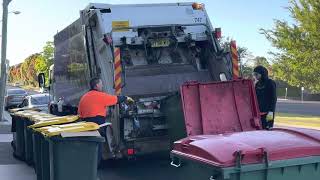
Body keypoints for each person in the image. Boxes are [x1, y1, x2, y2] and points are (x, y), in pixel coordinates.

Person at [78, 77, 133, 163]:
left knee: (90, 145)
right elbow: (115, 99)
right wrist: (125, 98)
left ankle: (88, 164)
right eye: (101, 84)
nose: (102, 85)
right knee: (98, 146)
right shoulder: (100, 96)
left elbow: (80, 114)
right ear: (96, 85)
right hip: (97, 125)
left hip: (85, 126)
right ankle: (95, 165)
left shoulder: (84, 97)